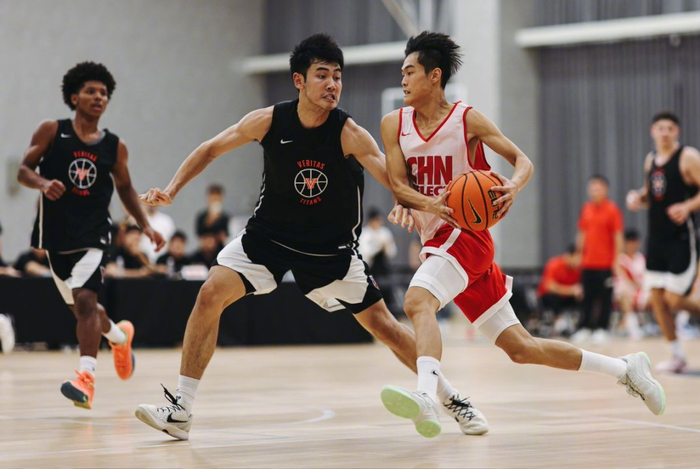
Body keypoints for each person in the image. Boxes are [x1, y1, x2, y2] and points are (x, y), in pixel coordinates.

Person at [135, 33, 485, 440]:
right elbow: (210, 149)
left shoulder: (349, 133)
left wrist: (411, 201)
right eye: (322, 75)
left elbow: (394, 178)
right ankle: (181, 408)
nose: (332, 84)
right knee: (210, 293)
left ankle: (451, 398)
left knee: (386, 327)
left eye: (337, 76)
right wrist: (172, 189)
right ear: (299, 81)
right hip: (268, 237)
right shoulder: (268, 120)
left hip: (329, 250)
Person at [379, 31, 665, 438]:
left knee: (416, 301)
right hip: (438, 242)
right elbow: (398, 184)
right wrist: (418, 203)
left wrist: (513, 186)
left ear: (434, 76)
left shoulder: (466, 119)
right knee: (521, 347)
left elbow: (522, 160)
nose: (403, 80)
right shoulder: (394, 124)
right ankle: (625, 369)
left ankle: (427, 395)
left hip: (466, 237)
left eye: (410, 72)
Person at [16, 61, 165, 409]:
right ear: (74, 97)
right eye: (91, 91)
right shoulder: (51, 131)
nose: (99, 97)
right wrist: (42, 183)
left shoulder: (114, 146)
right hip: (56, 239)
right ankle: (119, 336)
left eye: (104, 93)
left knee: (85, 301)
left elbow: (125, 188)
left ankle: (85, 379)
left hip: (94, 235)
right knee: (86, 311)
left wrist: (145, 225)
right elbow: (23, 170)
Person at [627, 111, 700, 373]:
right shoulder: (651, 160)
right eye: (660, 128)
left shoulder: (687, 157)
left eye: (670, 128)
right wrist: (638, 198)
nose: (665, 132)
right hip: (656, 240)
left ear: (676, 132)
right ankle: (677, 356)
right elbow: (652, 194)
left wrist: (687, 206)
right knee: (657, 299)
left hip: (681, 239)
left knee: (675, 299)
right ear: (653, 131)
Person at [571, 175, 623, 345]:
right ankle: (585, 327)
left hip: (605, 264)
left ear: (605, 190)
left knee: (605, 298)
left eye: (598, 188)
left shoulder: (612, 210)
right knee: (587, 297)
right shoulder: (586, 209)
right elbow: (582, 233)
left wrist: (616, 260)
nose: (595, 191)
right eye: (592, 188)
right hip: (588, 263)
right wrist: (579, 254)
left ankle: (603, 328)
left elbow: (618, 237)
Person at [537, 244, 582, 337]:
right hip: (548, 297)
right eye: (576, 259)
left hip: (567, 298)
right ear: (569, 255)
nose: (578, 262)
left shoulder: (578, 269)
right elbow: (550, 287)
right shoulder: (554, 264)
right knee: (553, 297)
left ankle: (581, 324)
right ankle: (559, 322)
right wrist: (571, 290)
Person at [614, 229, 647, 340]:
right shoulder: (620, 259)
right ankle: (633, 328)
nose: (632, 245)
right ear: (625, 243)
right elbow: (629, 278)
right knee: (625, 296)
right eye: (629, 242)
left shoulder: (642, 258)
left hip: (641, 291)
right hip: (623, 291)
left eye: (634, 242)